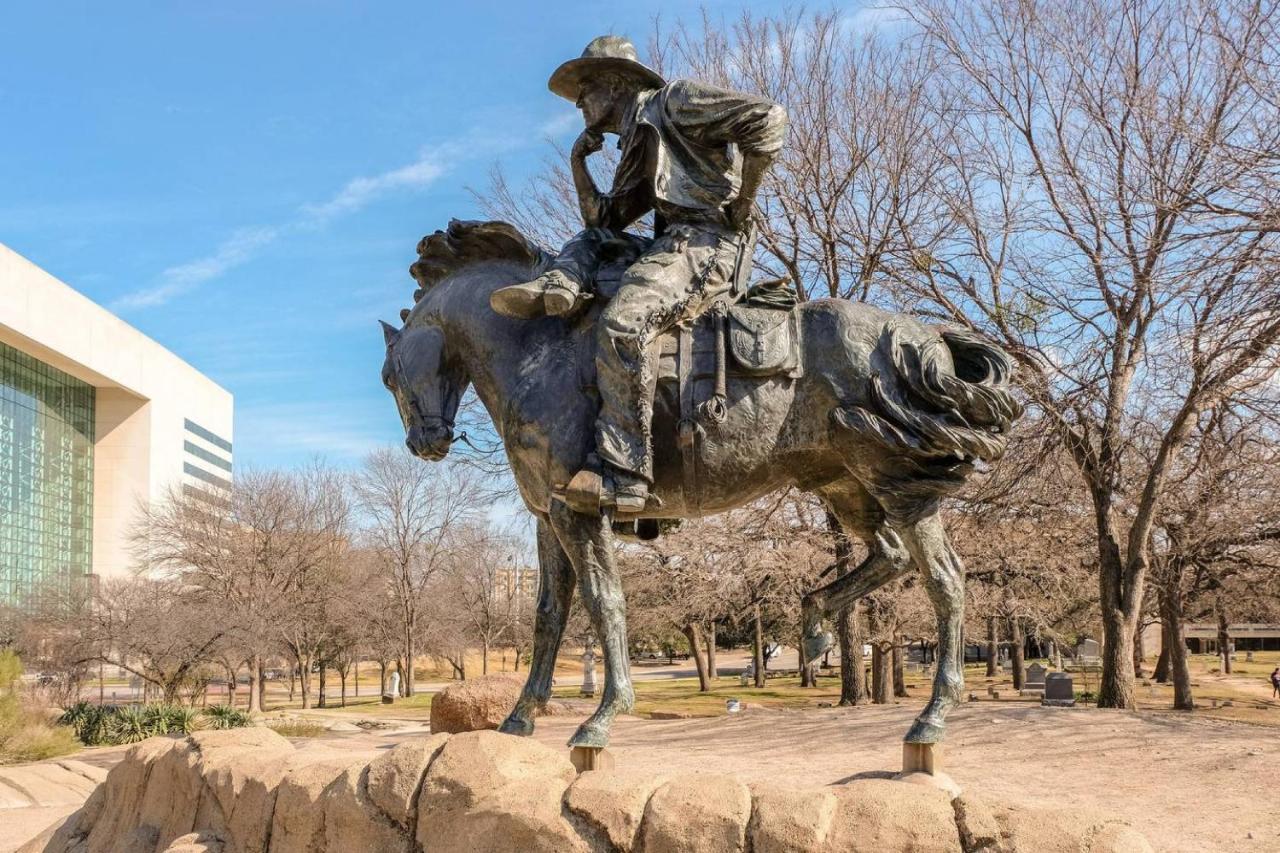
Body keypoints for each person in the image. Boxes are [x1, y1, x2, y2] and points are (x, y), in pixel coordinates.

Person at [489, 35, 788, 513]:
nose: (581, 101)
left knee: (624, 323)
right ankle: (560, 285)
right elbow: (605, 221)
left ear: (615, 84)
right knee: (593, 242)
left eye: (586, 89)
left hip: (708, 242)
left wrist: (743, 202)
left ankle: (625, 472)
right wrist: (578, 163)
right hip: (671, 242)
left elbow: (768, 119)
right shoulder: (634, 135)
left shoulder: (675, 101)